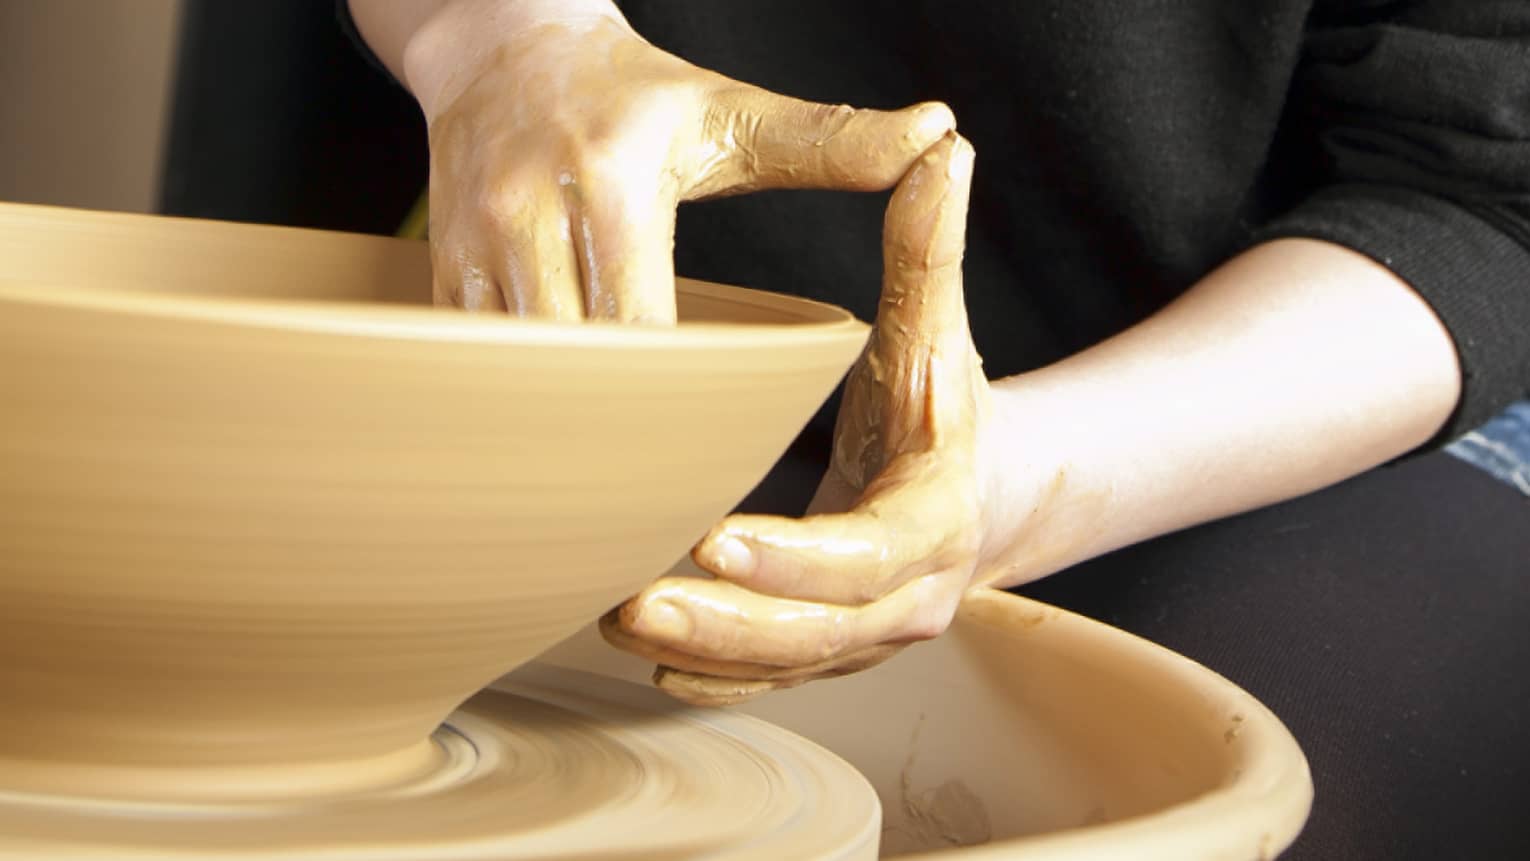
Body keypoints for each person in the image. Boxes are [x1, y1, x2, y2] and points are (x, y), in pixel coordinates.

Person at [345, 1, 1529, 857]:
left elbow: (1480, 190)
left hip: (1277, 370)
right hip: (635, 277)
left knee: (1215, 796)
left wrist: (1020, 480)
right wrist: (501, 40)